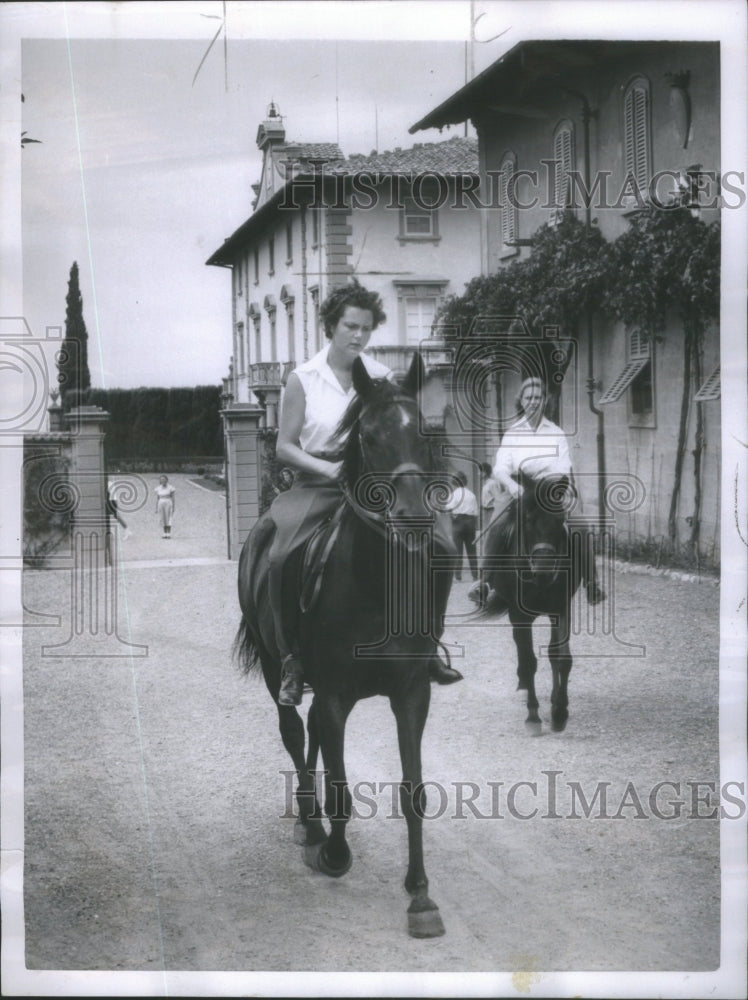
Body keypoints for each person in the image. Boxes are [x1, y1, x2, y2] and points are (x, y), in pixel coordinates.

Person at [268, 279, 462, 706]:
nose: (358, 335)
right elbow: (284, 446)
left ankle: (427, 645)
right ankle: (292, 659)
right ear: (331, 326)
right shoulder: (303, 379)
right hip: (319, 485)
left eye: (366, 328)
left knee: (442, 545)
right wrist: (329, 467)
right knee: (282, 556)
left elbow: (400, 436)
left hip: (377, 489)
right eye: (350, 326)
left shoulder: (380, 377)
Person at [471, 376, 605, 604]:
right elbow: (501, 467)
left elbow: (563, 466)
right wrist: (513, 485)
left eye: (538, 397)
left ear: (545, 401)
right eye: (529, 397)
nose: (533, 401)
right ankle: (485, 582)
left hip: (550, 491)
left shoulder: (556, 432)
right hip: (519, 490)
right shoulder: (512, 433)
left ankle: (592, 584)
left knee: (580, 526)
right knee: (498, 522)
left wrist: (546, 482)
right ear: (521, 401)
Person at [445, 470, 479, 582]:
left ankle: (458, 575)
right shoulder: (472, 495)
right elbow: (476, 513)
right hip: (470, 522)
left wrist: (452, 517)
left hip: (457, 522)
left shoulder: (453, 494)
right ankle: (475, 575)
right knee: (472, 550)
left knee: (458, 550)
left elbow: (447, 508)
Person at [155, 474, 176, 539]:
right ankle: (164, 532)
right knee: (162, 517)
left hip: (168, 503)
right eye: (161, 480)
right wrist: (156, 508)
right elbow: (157, 498)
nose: (163, 481)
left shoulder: (171, 488)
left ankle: (168, 533)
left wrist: (173, 507)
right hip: (161, 503)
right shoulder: (158, 488)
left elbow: (173, 498)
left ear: (167, 480)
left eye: (164, 479)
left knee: (168, 517)